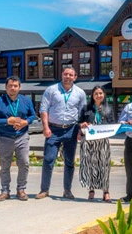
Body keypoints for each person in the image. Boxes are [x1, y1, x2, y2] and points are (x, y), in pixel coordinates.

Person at [0, 76, 38, 202]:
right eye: (10, 86)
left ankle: (21, 189)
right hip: (4, 138)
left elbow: (32, 115)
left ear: (19, 87)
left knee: (24, 163)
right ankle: (5, 191)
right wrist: (6, 121)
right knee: (4, 166)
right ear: (6, 87)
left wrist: (26, 122)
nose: (12, 88)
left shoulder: (26, 100)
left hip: (22, 136)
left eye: (15, 86)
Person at [38, 67, 88, 199]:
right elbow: (43, 109)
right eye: (65, 74)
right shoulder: (51, 90)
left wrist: (79, 131)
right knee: (48, 159)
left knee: (70, 161)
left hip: (71, 130)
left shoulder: (80, 93)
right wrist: (45, 127)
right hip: (53, 129)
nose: (68, 76)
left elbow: (82, 112)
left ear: (75, 77)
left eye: (71, 75)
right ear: (62, 75)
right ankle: (44, 190)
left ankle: (67, 190)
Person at [76, 86, 116, 202]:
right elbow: (79, 122)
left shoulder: (108, 109)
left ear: (104, 95)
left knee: (104, 165)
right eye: (96, 93)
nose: (98, 95)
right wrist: (82, 125)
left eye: (100, 93)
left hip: (102, 141)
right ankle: (91, 190)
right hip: (88, 141)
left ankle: (106, 191)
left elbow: (112, 123)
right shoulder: (86, 108)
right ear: (92, 96)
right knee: (90, 165)